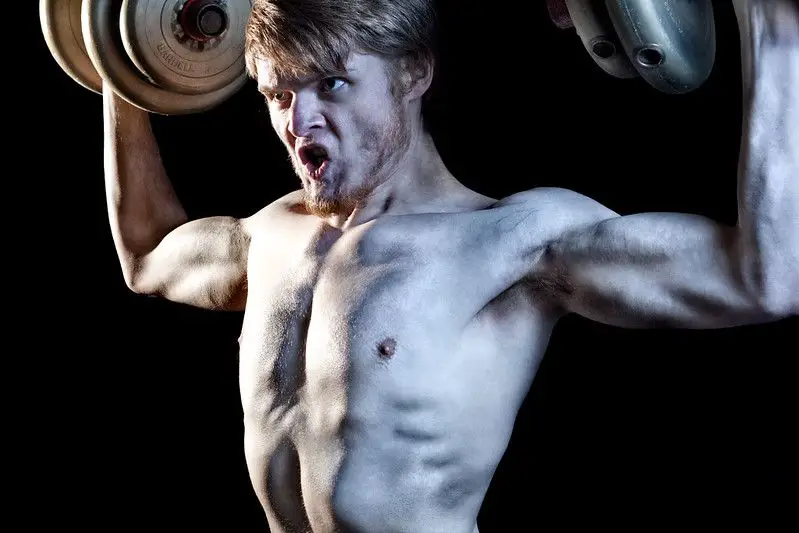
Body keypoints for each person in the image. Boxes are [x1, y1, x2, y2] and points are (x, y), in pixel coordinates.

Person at [101, 0, 797, 531]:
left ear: (413, 73)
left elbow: (766, 278)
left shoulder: (511, 243)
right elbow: (147, 256)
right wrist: (119, 72)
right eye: (278, 94)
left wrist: (768, 27)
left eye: (332, 85)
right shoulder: (268, 236)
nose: (298, 121)